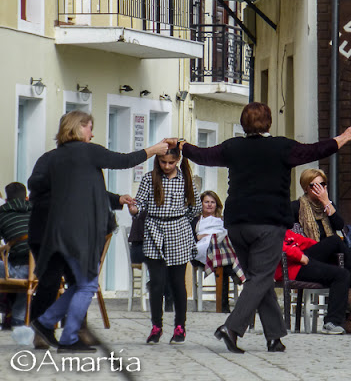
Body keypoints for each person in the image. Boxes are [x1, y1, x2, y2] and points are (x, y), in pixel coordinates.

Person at [167, 101, 351, 354]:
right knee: (261, 278)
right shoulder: (282, 147)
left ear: (243, 123)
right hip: (268, 224)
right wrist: (343, 138)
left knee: (257, 279)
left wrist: (182, 145)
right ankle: (232, 328)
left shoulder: (233, 147)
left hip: (237, 224)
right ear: (269, 122)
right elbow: (314, 150)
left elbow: (203, 155)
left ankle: (274, 337)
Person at [27, 110, 168, 352]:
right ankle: (63, 332)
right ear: (79, 128)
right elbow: (123, 161)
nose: (92, 133)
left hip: (58, 231)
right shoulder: (86, 152)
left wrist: (116, 199)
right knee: (80, 284)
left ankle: (47, 324)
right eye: (90, 127)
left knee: (78, 284)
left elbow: (84, 191)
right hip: (75, 232)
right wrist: (154, 150)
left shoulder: (57, 158)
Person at [128, 146, 201, 346]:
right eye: (163, 162)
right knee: (156, 283)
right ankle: (156, 326)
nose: (167, 166)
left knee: (178, 283)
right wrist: (134, 209)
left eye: (171, 162)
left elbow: (195, 207)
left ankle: (180, 326)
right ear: (157, 161)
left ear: (177, 160)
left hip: (177, 230)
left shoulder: (186, 180)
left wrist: (180, 221)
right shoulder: (149, 179)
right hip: (154, 231)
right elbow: (141, 203)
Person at [291, 168, 351, 323]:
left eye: (322, 185)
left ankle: (343, 319)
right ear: (305, 188)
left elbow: (339, 224)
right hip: (306, 254)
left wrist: (326, 202)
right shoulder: (296, 206)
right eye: (314, 186)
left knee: (343, 256)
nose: (319, 189)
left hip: (328, 257)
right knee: (335, 241)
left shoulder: (328, 206)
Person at [274, 229, 351, 334]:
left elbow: (303, 241)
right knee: (342, 275)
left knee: (334, 241)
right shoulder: (268, 228)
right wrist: (299, 255)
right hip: (290, 269)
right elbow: (275, 245)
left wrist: (323, 250)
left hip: (302, 262)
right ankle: (332, 322)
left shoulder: (285, 231)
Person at [192, 190, 233, 313]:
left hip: (221, 251)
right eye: (206, 202)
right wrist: (199, 237)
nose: (209, 205)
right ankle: (223, 306)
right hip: (202, 254)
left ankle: (223, 305)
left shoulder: (222, 220)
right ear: (201, 204)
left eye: (212, 202)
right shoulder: (195, 221)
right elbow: (189, 238)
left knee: (222, 258)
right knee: (223, 262)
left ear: (217, 204)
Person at [0, 183, 32, 330]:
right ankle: (18, 320)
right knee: (28, 278)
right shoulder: (38, 213)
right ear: (26, 198)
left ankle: (14, 317)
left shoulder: (2, 213)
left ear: (6, 200)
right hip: (42, 271)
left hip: (17, 272)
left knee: (14, 268)